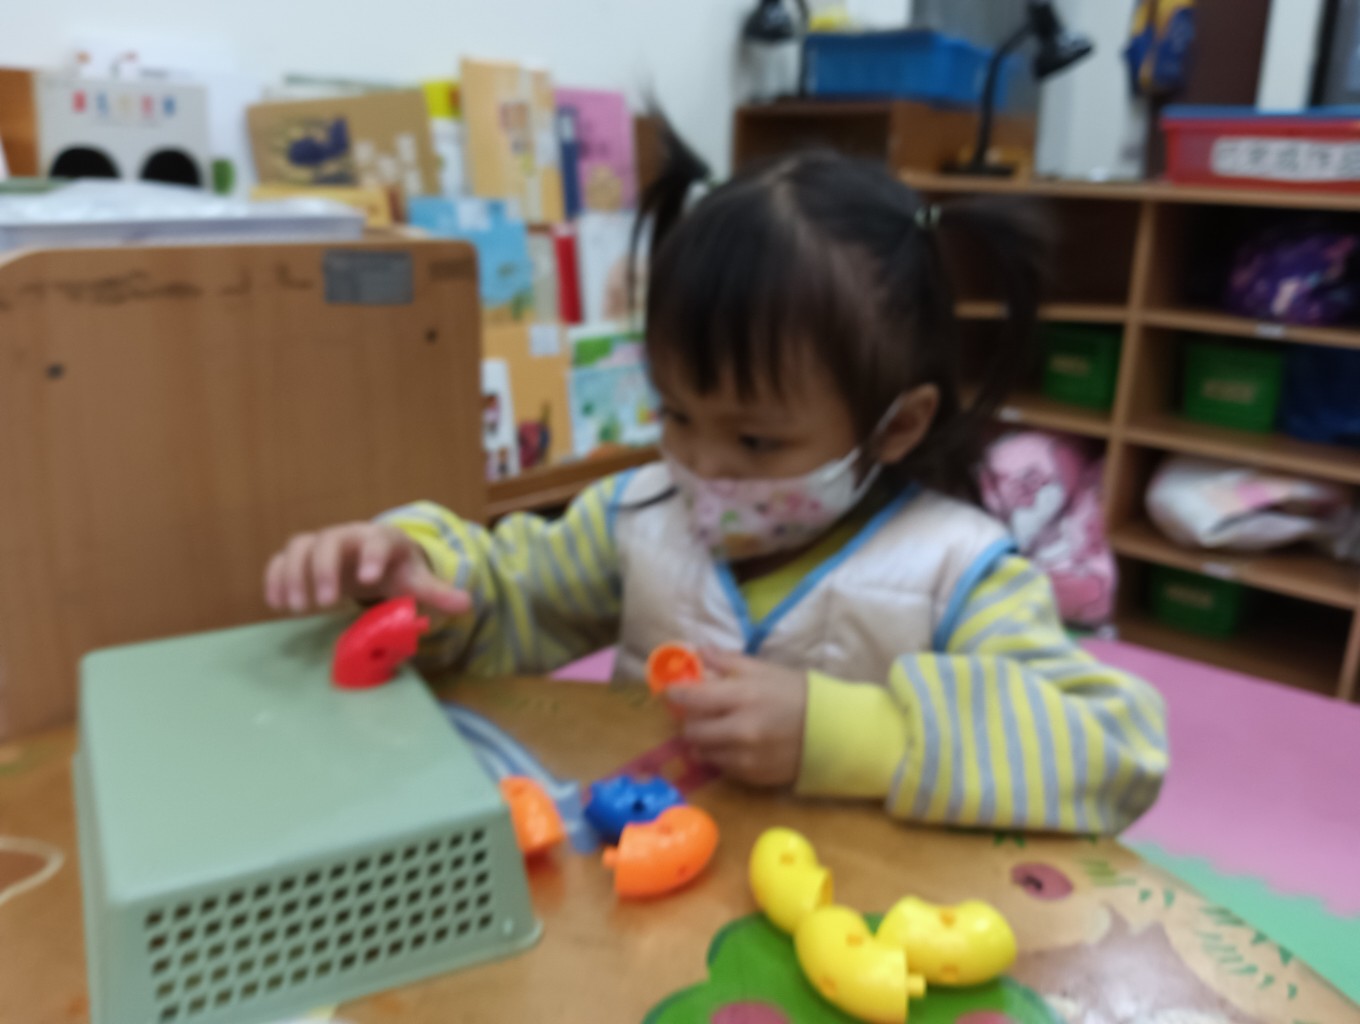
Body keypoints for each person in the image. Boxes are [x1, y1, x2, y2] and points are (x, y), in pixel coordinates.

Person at [264, 126, 1167, 835]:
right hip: (647, 914)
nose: (702, 465)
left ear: (897, 425)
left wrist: (853, 733)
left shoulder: (957, 574)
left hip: (860, 935)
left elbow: (1116, 747)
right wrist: (419, 580)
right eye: (676, 414)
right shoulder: (639, 516)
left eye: (757, 439)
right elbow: (511, 600)